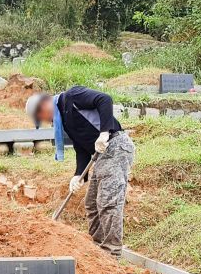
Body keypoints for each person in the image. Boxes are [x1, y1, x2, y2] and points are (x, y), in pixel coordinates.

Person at [26, 86, 134, 257]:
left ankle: (112, 254)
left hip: (115, 146)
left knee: (108, 201)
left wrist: (104, 133)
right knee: (91, 204)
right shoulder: (65, 119)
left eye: (43, 118)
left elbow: (104, 99)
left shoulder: (72, 96)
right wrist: (78, 175)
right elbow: (81, 148)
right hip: (100, 155)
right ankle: (98, 249)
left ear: (44, 105)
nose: (47, 122)